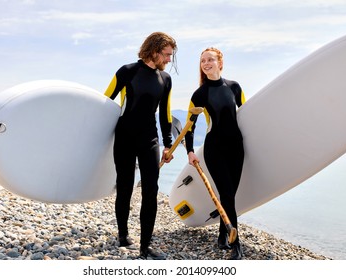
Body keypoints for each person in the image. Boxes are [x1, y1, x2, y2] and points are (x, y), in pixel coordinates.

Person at [104, 32, 177, 260]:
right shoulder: (127, 71)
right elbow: (104, 103)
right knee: (124, 186)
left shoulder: (165, 80)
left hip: (149, 140)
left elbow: (165, 114)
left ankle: (145, 247)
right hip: (124, 137)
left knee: (151, 191)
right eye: (166, 55)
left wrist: (168, 145)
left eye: (170, 56)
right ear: (154, 51)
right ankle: (123, 234)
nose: (168, 60)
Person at [184, 47, 246, 260]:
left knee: (229, 195)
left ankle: (221, 236)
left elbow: (248, 115)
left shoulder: (234, 87)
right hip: (215, 149)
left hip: (236, 148)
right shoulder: (200, 94)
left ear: (220, 62)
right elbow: (189, 126)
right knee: (227, 195)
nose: (206, 63)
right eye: (203, 61)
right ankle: (235, 243)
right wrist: (190, 151)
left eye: (210, 59)